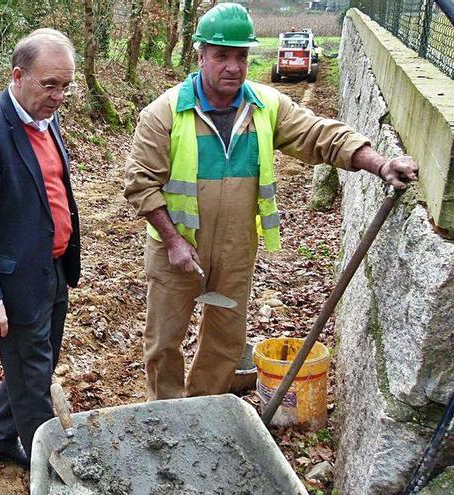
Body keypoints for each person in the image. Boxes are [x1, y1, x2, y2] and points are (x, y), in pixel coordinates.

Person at [123, 3, 418, 401]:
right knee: (163, 341)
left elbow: (321, 135)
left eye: (241, 56)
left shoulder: (265, 107)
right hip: (176, 250)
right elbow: (141, 184)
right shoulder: (165, 113)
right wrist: (173, 241)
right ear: (201, 56)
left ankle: (205, 407)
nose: (233, 66)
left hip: (235, 249)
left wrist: (380, 163)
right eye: (221, 55)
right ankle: (165, 412)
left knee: (226, 339)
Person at [0, 28, 80, 468]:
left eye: (65, 85)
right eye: (50, 85)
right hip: (17, 282)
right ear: (18, 75)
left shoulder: (46, 118)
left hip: (55, 270)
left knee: (32, 368)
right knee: (34, 381)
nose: (59, 95)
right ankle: (50, 469)